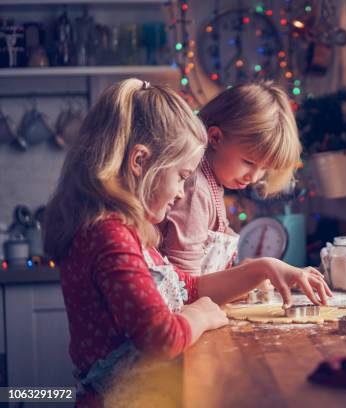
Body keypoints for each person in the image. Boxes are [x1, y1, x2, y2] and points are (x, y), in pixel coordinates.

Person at [43, 78, 328, 406]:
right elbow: (161, 338)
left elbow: (189, 287)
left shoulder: (134, 235)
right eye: (180, 176)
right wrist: (201, 317)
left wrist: (262, 268)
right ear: (139, 162)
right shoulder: (110, 237)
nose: (181, 191)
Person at [160, 81, 331, 306]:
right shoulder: (196, 189)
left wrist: (245, 272)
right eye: (249, 162)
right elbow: (183, 290)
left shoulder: (211, 185)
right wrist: (256, 271)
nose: (255, 177)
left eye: (265, 168)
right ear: (216, 138)